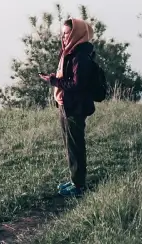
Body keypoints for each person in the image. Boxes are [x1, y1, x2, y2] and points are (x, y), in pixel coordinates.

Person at [39, 18, 96, 197]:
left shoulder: (80, 55)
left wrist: (54, 81)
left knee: (75, 145)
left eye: (67, 33)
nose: (63, 37)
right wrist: (55, 78)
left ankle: (78, 186)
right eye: (63, 33)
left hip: (75, 106)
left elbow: (77, 84)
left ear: (76, 34)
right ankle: (74, 181)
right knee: (70, 145)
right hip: (67, 104)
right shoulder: (70, 52)